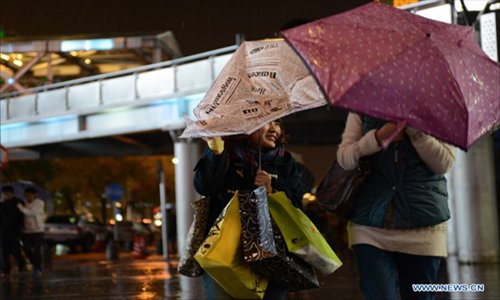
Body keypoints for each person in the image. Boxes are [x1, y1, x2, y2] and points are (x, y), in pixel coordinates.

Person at [336, 113, 456, 300]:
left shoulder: (436, 108)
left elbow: (444, 164)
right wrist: (376, 138)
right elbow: (344, 159)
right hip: (369, 225)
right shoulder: (360, 108)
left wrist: (416, 132)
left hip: (423, 227)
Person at [193, 120, 313, 300]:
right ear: (246, 126)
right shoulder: (225, 154)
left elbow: (297, 203)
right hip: (224, 251)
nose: (274, 129)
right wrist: (215, 153)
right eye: (266, 122)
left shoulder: (285, 162)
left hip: (271, 254)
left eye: (278, 123)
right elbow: (204, 186)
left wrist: (272, 187)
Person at [17, 186, 45, 277]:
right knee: (26, 249)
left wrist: (21, 208)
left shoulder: (39, 203)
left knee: (37, 250)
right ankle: (35, 264)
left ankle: (37, 268)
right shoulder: (23, 203)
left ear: (34, 195)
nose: (28, 197)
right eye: (26, 195)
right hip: (26, 231)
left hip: (37, 231)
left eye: (30, 195)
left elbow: (31, 213)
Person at [0, 185, 26, 279]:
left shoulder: (18, 202)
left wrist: (21, 228)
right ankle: (6, 270)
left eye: (7, 193)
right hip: (3, 231)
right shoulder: (2, 204)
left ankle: (21, 263)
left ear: (12, 193)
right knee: (4, 251)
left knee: (15, 249)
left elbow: (22, 216)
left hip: (15, 231)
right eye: (4, 193)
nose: (6, 195)